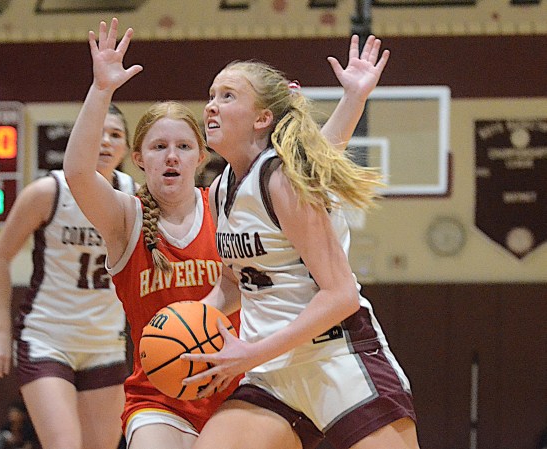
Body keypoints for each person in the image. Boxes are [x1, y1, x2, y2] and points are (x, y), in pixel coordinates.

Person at [63, 18, 389, 449]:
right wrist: (101, 89)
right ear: (139, 159)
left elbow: (309, 165)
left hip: (248, 378)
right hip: (168, 389)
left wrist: (352, 101)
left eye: (182, 146)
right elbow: (79, 174)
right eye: (159, 147)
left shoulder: (229, 198)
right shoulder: (129, 218)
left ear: (200, 156)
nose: (171, 157)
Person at [179, 32, 421, 449]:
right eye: (211, 94)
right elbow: (234, 283)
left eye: (228, 95)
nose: (211, 105)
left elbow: (341, 295)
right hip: (273, 374)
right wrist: (187, 324)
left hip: (339, 361)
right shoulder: (221, 189)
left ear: (262, 118)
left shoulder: (282, 181)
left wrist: (251, 353)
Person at [0, 102, 136, 449]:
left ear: (126, 148)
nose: (106, 142)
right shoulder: (48, 192)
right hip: (48, 338)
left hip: (105, 342)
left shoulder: (133, 196)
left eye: (115, 135)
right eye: (98, 133)